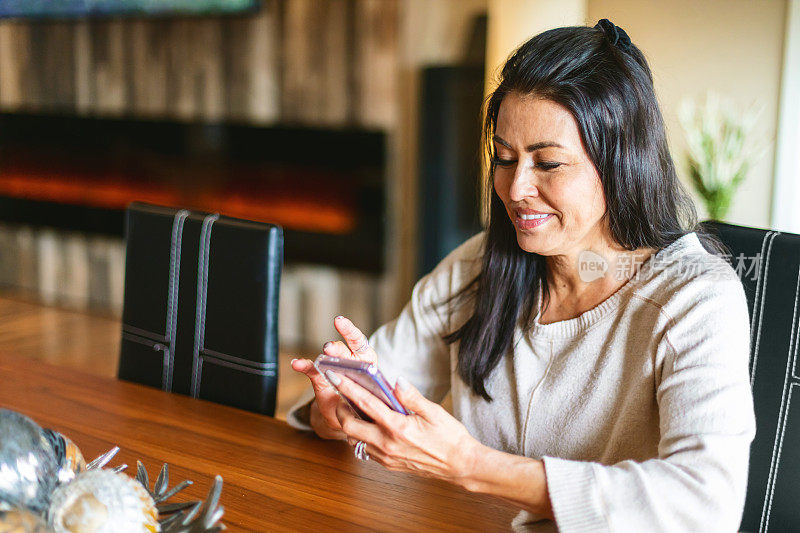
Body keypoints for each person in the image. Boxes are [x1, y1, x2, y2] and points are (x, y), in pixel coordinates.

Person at [289, 19, 755, 532]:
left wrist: (471, 465)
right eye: (505, 159)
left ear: (623, 163)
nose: (515, 189)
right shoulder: (477, 265)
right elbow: (372, 397)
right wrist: (340, 409)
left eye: (549, 164)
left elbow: (705, 507)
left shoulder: (696, 299)